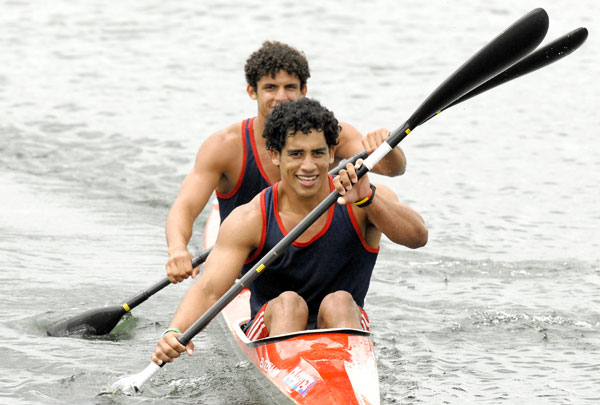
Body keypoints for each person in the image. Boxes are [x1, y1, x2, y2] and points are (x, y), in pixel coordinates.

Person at [152, 98, 427, 365]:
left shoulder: (360, 200)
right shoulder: (250, 218)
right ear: (275, 155)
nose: (308, 166)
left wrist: (370, 199)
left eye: (318, 153)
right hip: (275, 326)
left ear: (332, 154)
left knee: (341, 302)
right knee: (288, 304)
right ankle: (294, 376)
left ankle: (340, 376)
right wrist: (174, 332)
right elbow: (209, 291)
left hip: (344, 324)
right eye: (296, 154)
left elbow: (418, 237)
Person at [165, 41, 408, 283]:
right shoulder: (225, 147)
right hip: (245, 271)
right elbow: (185, 206)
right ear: (252, 91)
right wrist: (178, 249)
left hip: (312, 271)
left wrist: (388, 149)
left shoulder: (332, 134)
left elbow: (391, 169)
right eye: (270, 87)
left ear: (304, 90)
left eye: (290, 87)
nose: (281, 97)